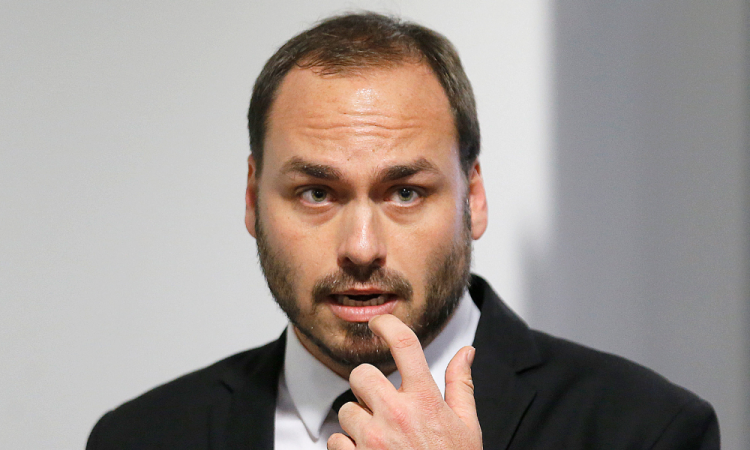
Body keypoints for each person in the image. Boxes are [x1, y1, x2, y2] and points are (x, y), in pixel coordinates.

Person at [86, 12, 719, 450]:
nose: (361, 248)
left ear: (474, 197)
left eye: (406, 193)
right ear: (252, 200)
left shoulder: (646, 431)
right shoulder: (140, 438)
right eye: (316, 193)